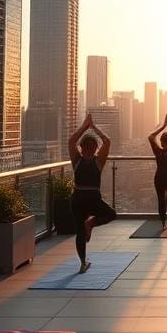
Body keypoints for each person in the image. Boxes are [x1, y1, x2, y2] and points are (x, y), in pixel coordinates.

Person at [68, 112, 116, 274]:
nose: (90, 149)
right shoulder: (98, 161)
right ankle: (91, 224)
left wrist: (85, 126)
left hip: (78, 198)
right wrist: (93, 127)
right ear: (95, 148)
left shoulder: (77, 160)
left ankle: (83, 262)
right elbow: (107, 141)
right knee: (110, 215)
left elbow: (71, 140)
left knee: (80, 232)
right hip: (91, 199)